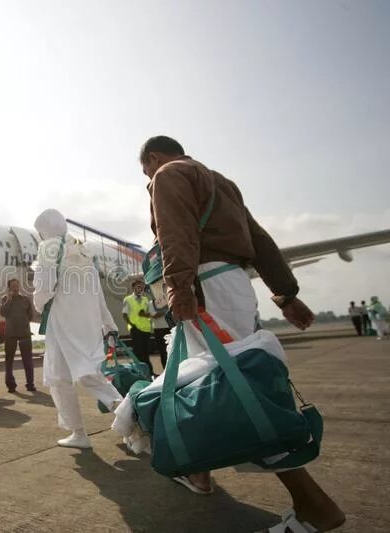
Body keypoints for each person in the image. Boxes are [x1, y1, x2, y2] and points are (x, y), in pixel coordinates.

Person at [131, 135, 344, 531]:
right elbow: (260, 240)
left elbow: (176, 234)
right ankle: (199, 472)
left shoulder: (168, 174)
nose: (147, 178)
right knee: (217, 386)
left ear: (155, 158)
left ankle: (315, 506)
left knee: (243, 395)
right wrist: (286, 294)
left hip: (205, 287)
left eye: (145, 170)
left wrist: (177, 289)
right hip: (232, 283)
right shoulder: (220, 181)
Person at [32, 209, 123, 449]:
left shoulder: (48, 248)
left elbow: (44, 287)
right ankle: (80, 433)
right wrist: (108, 324)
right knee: (71, 375)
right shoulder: (83, 250)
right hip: (88, 322)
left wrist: (38, 303)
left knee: (72, 376)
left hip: (63, 322)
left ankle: (130, 415)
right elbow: (98, 294)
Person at [0, 278, 36, 393]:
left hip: (25, 334)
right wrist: (9, 300)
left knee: (28, 361)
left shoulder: (25, 299)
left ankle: (30, 384)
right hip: (11, 335)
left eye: (17, 285)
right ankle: (11, 385)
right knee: (9, 361)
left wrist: (23, 324)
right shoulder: (5, 299)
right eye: (13, 286)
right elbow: (3, 313)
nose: (15, 288)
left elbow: (30, 315)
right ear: (9, 288)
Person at [122, 280, 155, 376]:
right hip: (136, 330)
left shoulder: (145, 299)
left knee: (146, 353)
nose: (140, 289)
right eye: (138, 287)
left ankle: (149, 373)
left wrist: (146, 315)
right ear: (133, 288)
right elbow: (124, 314)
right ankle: (141, 373)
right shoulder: (128, 299)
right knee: (138, 353)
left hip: (146, 330)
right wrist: (132, 325)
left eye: (141, 287)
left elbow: (149, 315)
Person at [147, 295, 171, 372]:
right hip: (159, 329)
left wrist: (164, 310)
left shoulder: (167, 300)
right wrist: (166, 309)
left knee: (171, 350)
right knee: (163, 351)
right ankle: (166, 370)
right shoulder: (151, 303)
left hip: (169, 327)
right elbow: (154, 315)